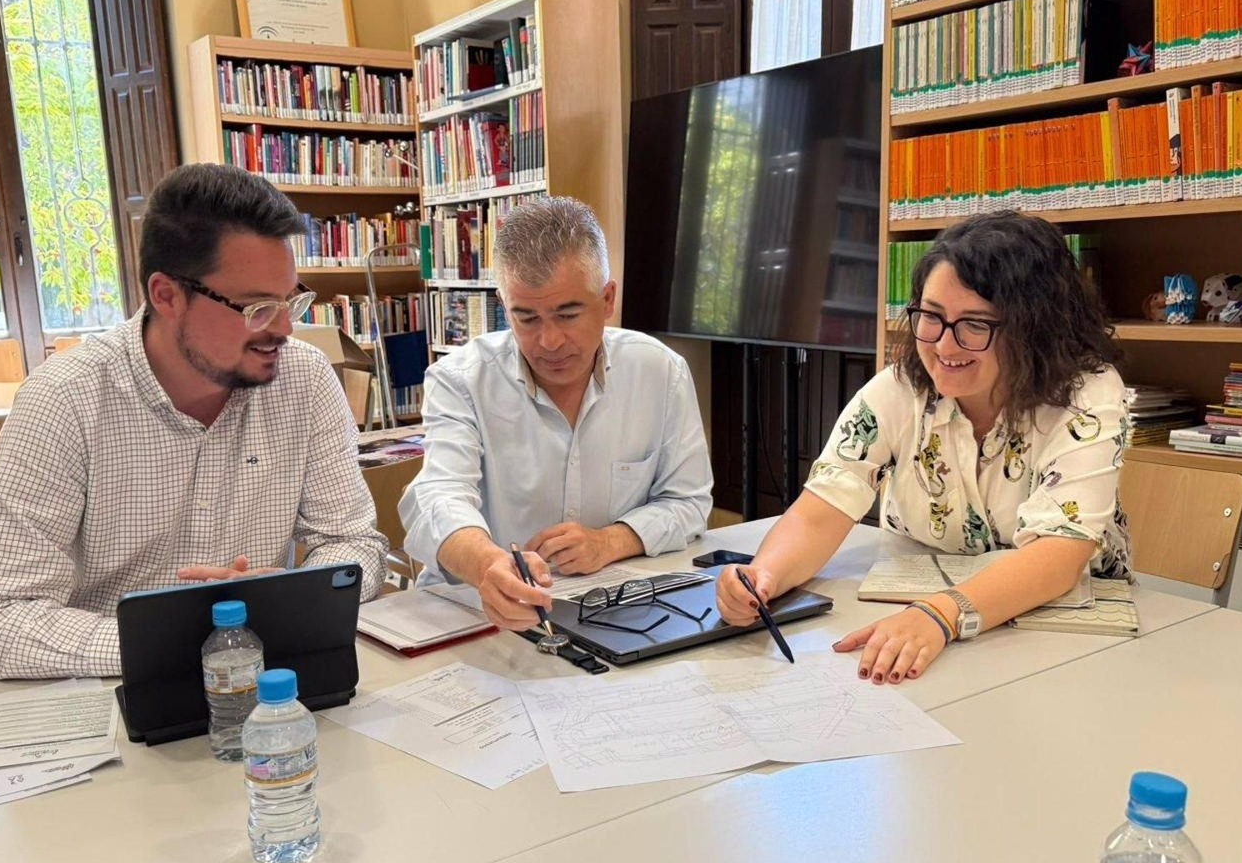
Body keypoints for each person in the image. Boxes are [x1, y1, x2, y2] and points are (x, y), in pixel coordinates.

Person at [0, 163, 390, 679]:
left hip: (262, 683)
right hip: (113, 690)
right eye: (257, 308)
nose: (286, 328)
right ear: (167, 296)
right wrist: (179, 638)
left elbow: (354, 543)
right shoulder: (66, 401)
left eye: (291, 299)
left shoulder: (304, 381)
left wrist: (294, 597)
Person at [716, 211, 1131, 684]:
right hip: (919, 627)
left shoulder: (1087, 393)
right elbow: (819, 512)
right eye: (930, 316)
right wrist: (761, 578)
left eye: (974, 324)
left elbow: (1056, 558)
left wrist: (939, 615)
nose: (943, 345)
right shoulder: (897, 389)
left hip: (1063, 641)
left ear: (1034, 326)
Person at [400, 196, 714, 630]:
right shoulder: (460, 380)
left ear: (607, 299)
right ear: (503, 304)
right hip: (478, 614)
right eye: (525, 318)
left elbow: (689, 501)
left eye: (567, 314)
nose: (548, 341)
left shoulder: (661, 372)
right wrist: (486, 564)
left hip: (613, 610)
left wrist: (612, 541)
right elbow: (437, 498)